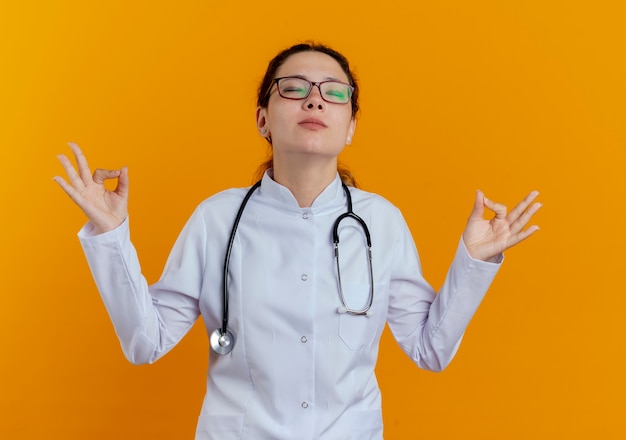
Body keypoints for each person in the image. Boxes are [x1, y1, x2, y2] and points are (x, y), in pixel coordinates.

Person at [54, 42, 541, 439]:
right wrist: (110, 234)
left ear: (350, 126)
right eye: (294, 88)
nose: (314, 100)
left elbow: (429, 349)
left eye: (334, 93)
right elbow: (146, 341)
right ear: (263, 119)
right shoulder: (217, 218)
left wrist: (474, 261)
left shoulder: (382, 222)